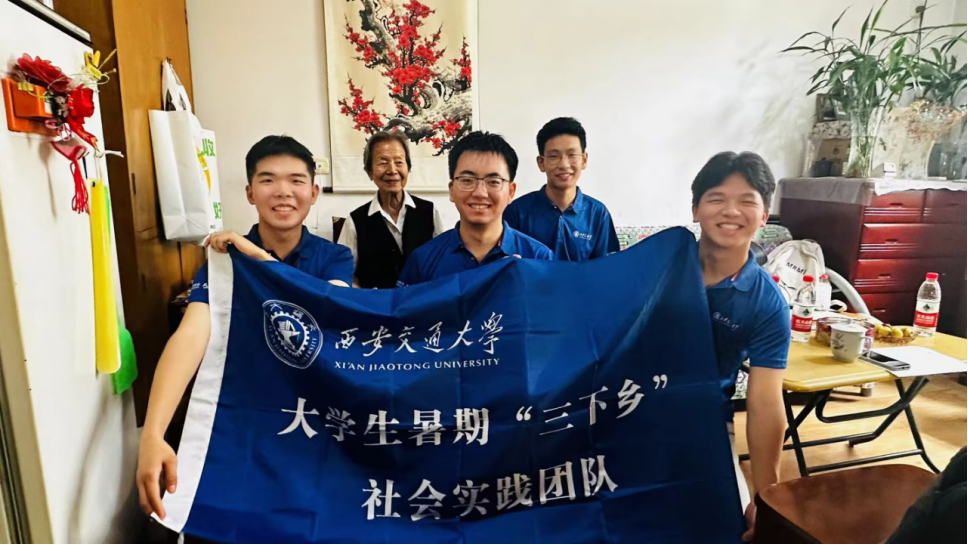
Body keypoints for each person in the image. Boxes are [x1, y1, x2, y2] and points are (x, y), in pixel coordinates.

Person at [136, 135, 353, 521]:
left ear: (314, 192)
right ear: (251, 192)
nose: (283, 191)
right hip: (248, 412)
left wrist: (254, 255)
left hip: (315, 413)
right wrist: (153, 433)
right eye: (268, 180)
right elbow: (190, 336)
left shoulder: (335, 256)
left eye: (296, 180)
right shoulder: (224, 261)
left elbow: (328, 311)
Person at [691, 152, 788, 542]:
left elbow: (765, 402)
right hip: (628, 411)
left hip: (705, 426)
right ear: (695, 209)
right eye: (716, 198)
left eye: (747, 201)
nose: (731, 211)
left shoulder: (767, 303)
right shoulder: (661, 262)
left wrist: (767, 498)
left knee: (730, 526)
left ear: (764, 216)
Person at [397, 131, 553, 286]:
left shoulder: (538, 257)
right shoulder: (423, 260)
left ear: (511, 192)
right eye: (467, 180)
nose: (480, 192)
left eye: (493, 181)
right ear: (451, 190)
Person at [338, 131, 445, 288]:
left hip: (423, 300)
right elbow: (344, 274)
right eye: (383, 163)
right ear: (370, 172)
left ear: (408, 168)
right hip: (375, 302)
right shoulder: (355, 221)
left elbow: (442, 264)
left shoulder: (429, 211)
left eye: (399, 162)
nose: (392, 170)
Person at [504, 117, 619, 261]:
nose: (564, 165)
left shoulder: (597, 214)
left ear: (584, 160)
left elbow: (607, 267)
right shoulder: (517, 212)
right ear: (541, 163)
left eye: (572, 155)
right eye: (554, 156)